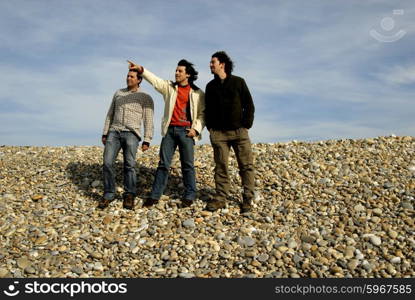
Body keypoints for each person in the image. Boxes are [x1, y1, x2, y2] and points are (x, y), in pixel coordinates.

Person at [128, 59, 205, 208]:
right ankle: (155, 195)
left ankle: (190, 194)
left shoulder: (197, 93)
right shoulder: (170, 87)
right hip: (170, 131)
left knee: (188, 165)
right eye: (176, 70)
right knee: (163, 164)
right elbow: (155, 81)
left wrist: (196, 129)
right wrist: (141, 69)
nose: (176, 73)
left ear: (187, 74)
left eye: (180, 71)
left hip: (187, 132)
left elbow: (203, 114)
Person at [204, 51, 255, 213]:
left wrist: (246, 125)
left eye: (213, 62)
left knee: (246, 166)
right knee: (221, 166)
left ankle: (247, 197)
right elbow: (207, 110)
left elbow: (249, 105)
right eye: (211, 62)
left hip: (239, 132)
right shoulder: (210, 87)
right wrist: (211, 128)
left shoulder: (239, 82)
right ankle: (220, 197)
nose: (210, 65)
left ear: (222, 64)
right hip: (219, 134)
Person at [98, 69, 154, 210]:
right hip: (114, 132)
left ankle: (129, 195)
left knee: (129, 165)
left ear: (139, 80)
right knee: (107, 162)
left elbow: (148, 119)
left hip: (132, 133)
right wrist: (105, 132)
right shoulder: (118, 93)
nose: (128, 78)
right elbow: (110, 114)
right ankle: (109, 193)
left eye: (132, 76)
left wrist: (147, 139)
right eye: (127, 76)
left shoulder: (145, 97)